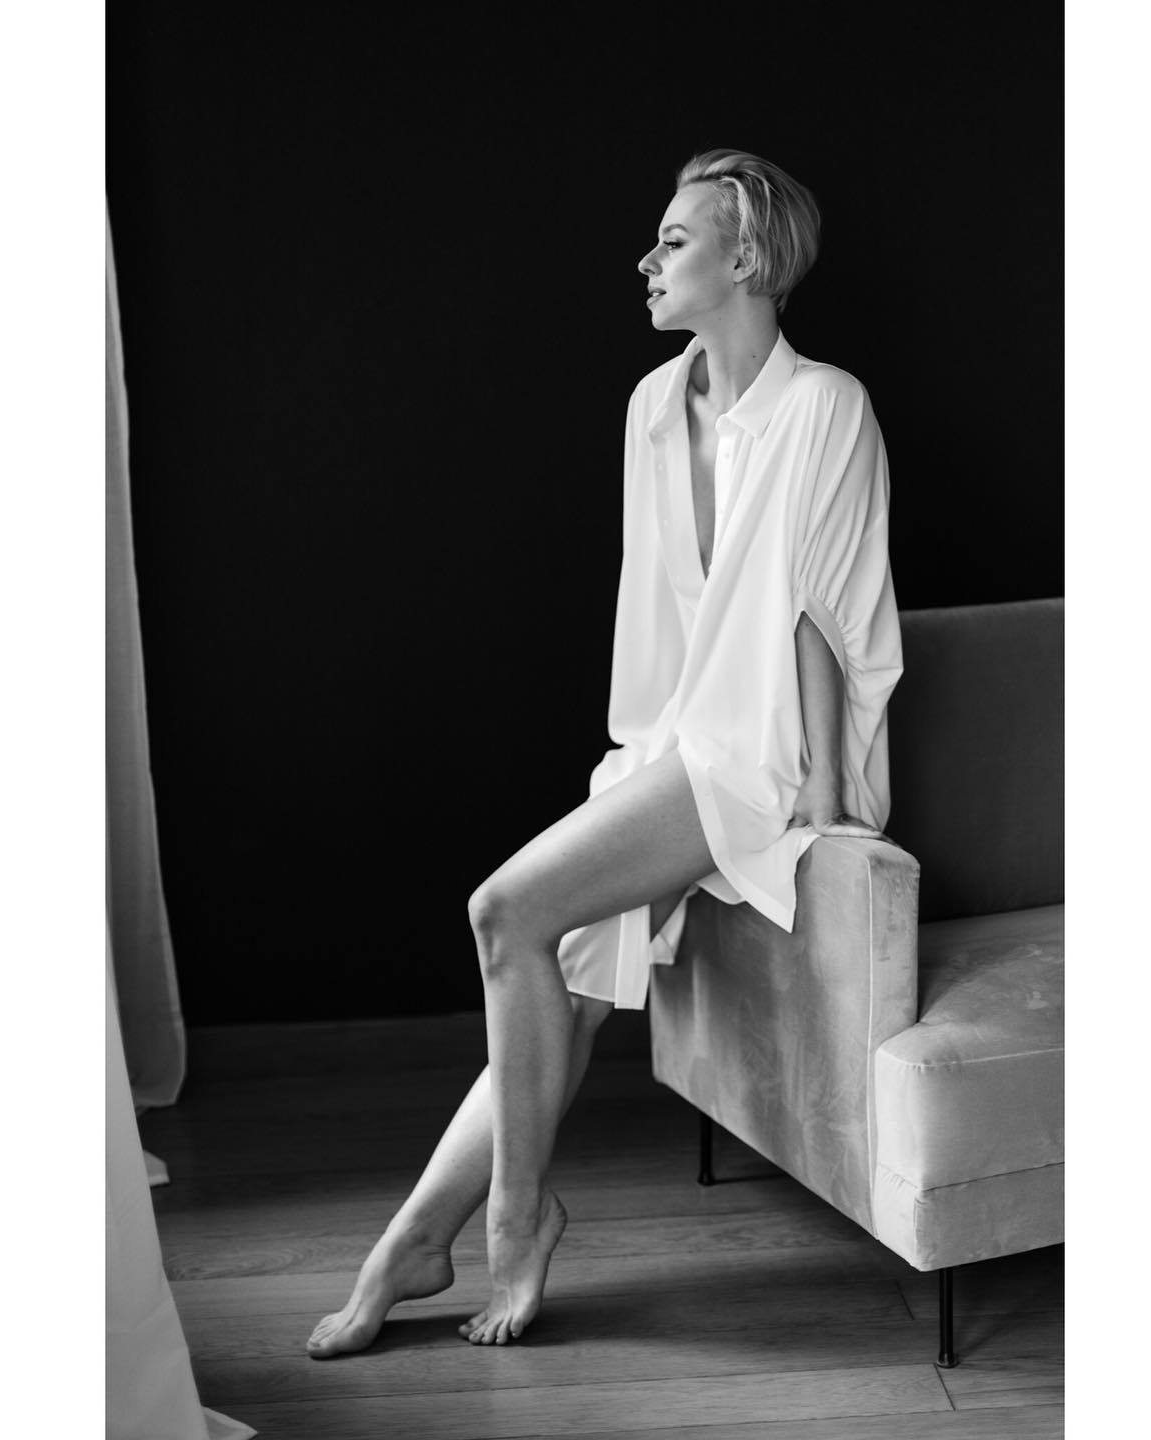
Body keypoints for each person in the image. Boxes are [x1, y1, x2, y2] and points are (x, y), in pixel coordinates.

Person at [306, 149, 902, 1356]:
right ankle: (414, 1240)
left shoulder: (825, 406)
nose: (646, 260)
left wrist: (828, 800)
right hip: (678, 746)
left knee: (503, 911)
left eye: (674, 240)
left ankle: (518, 1216)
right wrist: (636, 768)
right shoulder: (651, 408)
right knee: (561, 991)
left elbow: (824, 613)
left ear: (747, 256)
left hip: (769, 758)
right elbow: (669, 613)